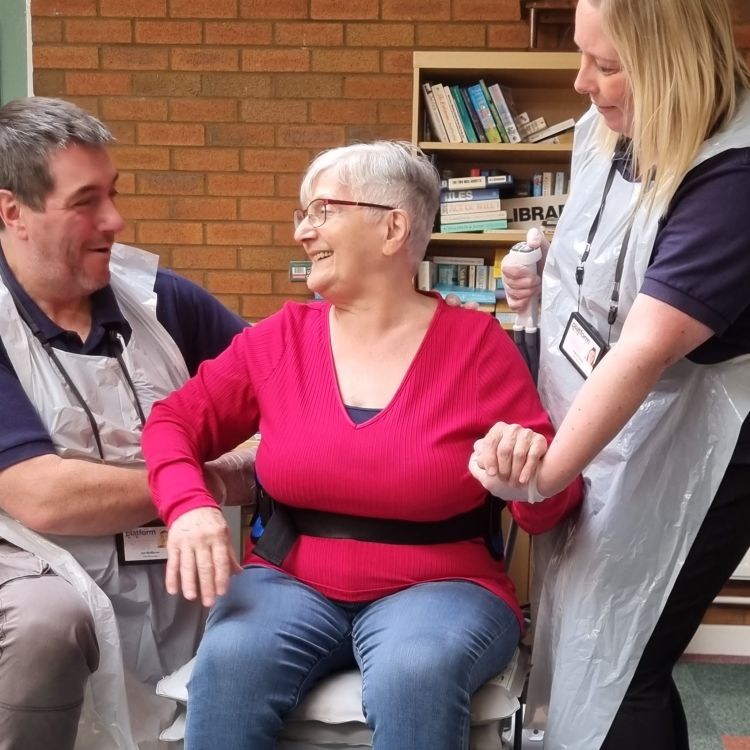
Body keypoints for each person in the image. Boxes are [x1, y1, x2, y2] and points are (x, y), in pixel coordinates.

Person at [141, 140, 584, 750]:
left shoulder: (478, 346)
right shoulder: (277, 341)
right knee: (231, 664)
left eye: (322, 211)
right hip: (288, 579)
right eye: (302, 215)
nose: (303, 231)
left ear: (393, 227)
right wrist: (188, 506)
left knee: (415, 673)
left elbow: (552, 505)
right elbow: (172, 423)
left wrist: (525, 478)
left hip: (445, 589)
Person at [472, 1, 750, 747]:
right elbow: (599, 247)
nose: (579, 82)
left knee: (625, 660)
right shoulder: (610, 127)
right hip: (612, 416)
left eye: (605, 64)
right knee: (588, 641)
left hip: (699, 439)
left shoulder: (733, 178)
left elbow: (647, 345)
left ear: (671, 64)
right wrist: (539, 277)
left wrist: (539, 481)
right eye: (582, 56)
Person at [0, 97, 253, 750]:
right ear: (11, 212)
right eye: (86, 201)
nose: (115, 219)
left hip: (180, 580)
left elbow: (291, 396)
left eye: (112, 194)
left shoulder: (164, 302)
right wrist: (205, 487)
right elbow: (41, 494)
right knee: (48, 628)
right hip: (43, 580)